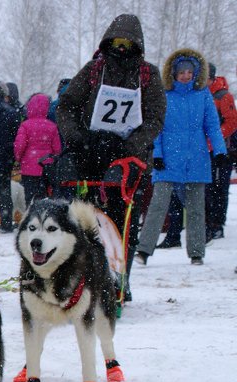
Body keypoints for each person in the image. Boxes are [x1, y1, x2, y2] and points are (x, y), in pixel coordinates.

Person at [56, 14, 166, 282]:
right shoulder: (94, 69)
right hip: (91, 154)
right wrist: (77, 137)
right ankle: (84, 277)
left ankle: (120, 279)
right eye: (116, 42)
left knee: (124, 220)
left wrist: (131, 144)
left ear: (137, 46)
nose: (120, 49)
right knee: (85, 219)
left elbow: (156, 117)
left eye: (127, 44)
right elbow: (67, 104)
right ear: (107, 42)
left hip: (130, 159)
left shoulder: (148, 75)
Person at [135, 49, 227, 266]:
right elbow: (157, 127)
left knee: (196, 208)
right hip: (167, 159)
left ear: (196, 73)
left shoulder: (203, 94)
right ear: (173, 73)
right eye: (181, 71)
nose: (186, 75)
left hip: (196, 158)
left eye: (189, 71)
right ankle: (143, 250)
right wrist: (156, 154)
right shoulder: (164, 95)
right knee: (158, 205)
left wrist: (220, 151)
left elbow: (212, 125)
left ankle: (196, 252)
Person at [206, 64, 237, 240]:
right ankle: (209, 222)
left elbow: (232, 123)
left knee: (219, 188)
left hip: (221, 151)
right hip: (205, 150)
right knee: (208, 188)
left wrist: (213, 139)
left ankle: (217, 224)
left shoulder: (223, 96)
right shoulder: (203, 94)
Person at [14, 93, 62, 204]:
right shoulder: (52, 126)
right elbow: (57, 149)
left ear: (29, 107)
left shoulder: (25, 125)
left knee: (30, 198)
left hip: (29, 168)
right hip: (46, 167)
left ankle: (31, 217)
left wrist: (18, 158)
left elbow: (19, 146)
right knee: (45, 198)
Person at [0, 80, 20, 231]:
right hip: (4, 158)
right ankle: (6, 222)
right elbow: (15, 137)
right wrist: (12, 157)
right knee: (4, 191)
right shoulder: (11, 112)